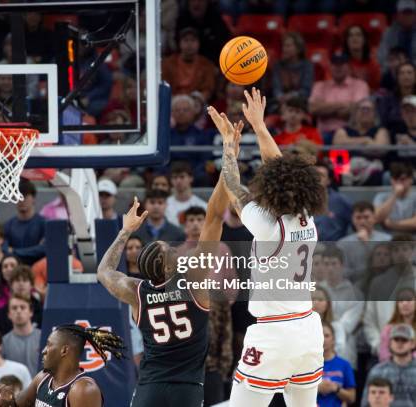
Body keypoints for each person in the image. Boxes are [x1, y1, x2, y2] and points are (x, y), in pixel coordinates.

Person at [97, 111, 237, 407]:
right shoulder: (194, 280)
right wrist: (229, 155)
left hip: (150, 387)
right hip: (187, 389)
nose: (175, 247)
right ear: (171, 265)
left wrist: (124, 232)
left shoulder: (137, 292)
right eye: (170, 249)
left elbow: (104, 272)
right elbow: (213, 218)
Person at [212, 88, 327, 406]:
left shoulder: (267, 225)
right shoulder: (307, 218)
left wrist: (229, 149)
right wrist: (260, 127)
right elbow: (281, 171)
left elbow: (235, 191)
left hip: (274, 334)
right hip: (308, 330)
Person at [0, 324, 123, 407]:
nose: (43, 351)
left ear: (64, 350)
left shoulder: (83, 390)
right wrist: (8, 399)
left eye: (49, 345)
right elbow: (18, 404)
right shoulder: (43, 378)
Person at [309, 53, 370, 142]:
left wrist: (324, 109)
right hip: (324, 134)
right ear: (330, 66)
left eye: (342, 64)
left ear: (348, 66)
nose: (338, 67)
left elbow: (356, 110)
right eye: (335, 64)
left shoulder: (360, 85)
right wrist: (344, 105)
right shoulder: (319, 85)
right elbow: (313, 109)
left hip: (351, 134)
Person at [361, 324, 416, 407]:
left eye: (404, 340)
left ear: (412, 344)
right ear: (390, 343)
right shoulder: (377, 371)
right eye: (396, 339)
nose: (399, 343)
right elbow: (366, 402)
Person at [337, 202, 392, 283]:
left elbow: (391, 268)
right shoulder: (342, 244)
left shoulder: (388, 240)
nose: (362, 221)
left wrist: (367, 243)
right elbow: (342, 272)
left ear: (374, 218)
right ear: (352, 219)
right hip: (354, 287)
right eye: (358, 218)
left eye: (366, 217)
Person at [162, 27, 216, 101]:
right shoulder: (168, 63)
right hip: (173, 100)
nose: (189, 44)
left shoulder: (206, 64)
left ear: (199, 43)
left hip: (197, 101)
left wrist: (197, 100)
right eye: (186, 40)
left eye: (193, 40)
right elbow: (164, 86)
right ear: (179, 43)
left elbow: (208, 89)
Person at [0, 265, 43, 336]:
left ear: (32, 285)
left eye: (25, 280)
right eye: (17, 280)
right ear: (11, 285)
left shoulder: (42, 312)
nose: (21, 284)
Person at [2, 180, 45, 265]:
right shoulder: (8, 225)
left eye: (25, 196)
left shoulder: (44, 224)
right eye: (17, 196)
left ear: (33, 199)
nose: (21, 200)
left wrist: (14, 251)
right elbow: (4, 249)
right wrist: (34, 250)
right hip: (15, 270)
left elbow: (43, 249)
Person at [0, 294, 41, 377]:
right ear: (9, 314)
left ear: (31, 312)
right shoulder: (3, 342)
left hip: (41, 387)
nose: (18, 311)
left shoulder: (44, 337)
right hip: (15, 388)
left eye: (23, 307)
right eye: (14, 308)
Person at [317, 322, 356, 407]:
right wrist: (317, 388)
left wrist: (336, 388)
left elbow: (352, 398)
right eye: (320, 335)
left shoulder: (345, 365)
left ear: (333, 339)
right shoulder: (308, 365)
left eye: (327, 336)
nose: (323, 339)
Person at [271, 32, 315, 106]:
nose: (284, 49)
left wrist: (291, 96)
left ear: (298, 49)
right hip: (280, 102)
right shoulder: (278, 66)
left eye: (288, 46)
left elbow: (306, 90)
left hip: (300, 102)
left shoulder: (307, 66)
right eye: (284, 46)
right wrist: (280, 96)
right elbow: (276, 88)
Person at [374, 162, 416, 234]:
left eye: (402, 179)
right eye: (395, 179)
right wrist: (395, 195)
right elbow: (377, 218)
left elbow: (414, 223)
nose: (399, 182)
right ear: (391, 180)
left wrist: (391, 224)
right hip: (388, 240)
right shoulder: (381, 197)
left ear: (411, 179)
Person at [378, 287, 416, 362]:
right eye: (401, 301)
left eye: (409, 300)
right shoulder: (388, 329)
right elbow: (383, 354)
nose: (404, 304)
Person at [377, 0, 416, 70]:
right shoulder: (389, 32)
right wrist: (394, 66)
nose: (407, 16)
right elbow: (382, 57)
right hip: (393, 70)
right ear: (398, 15)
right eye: (404, 13)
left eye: (410, 13)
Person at [166, 161, 207, 226]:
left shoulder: (203, 206)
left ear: (191, 178)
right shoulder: (164, 205)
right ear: (171, 180)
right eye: (175, 177)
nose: (178, 181)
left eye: (182, 177)